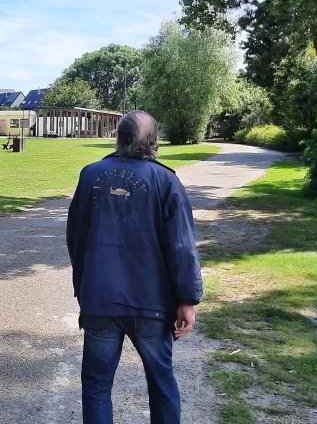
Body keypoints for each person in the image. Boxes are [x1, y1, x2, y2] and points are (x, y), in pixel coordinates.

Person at [65, 111, 203, 424]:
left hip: (100, 297)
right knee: (161, 382)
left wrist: (85, 284)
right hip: (151, 302)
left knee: (97, 384)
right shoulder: (167, 180)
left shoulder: (90, 175)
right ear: (154, 143)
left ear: (119, 138)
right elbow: (182, 247)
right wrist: (187, 300)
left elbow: (75, 237)